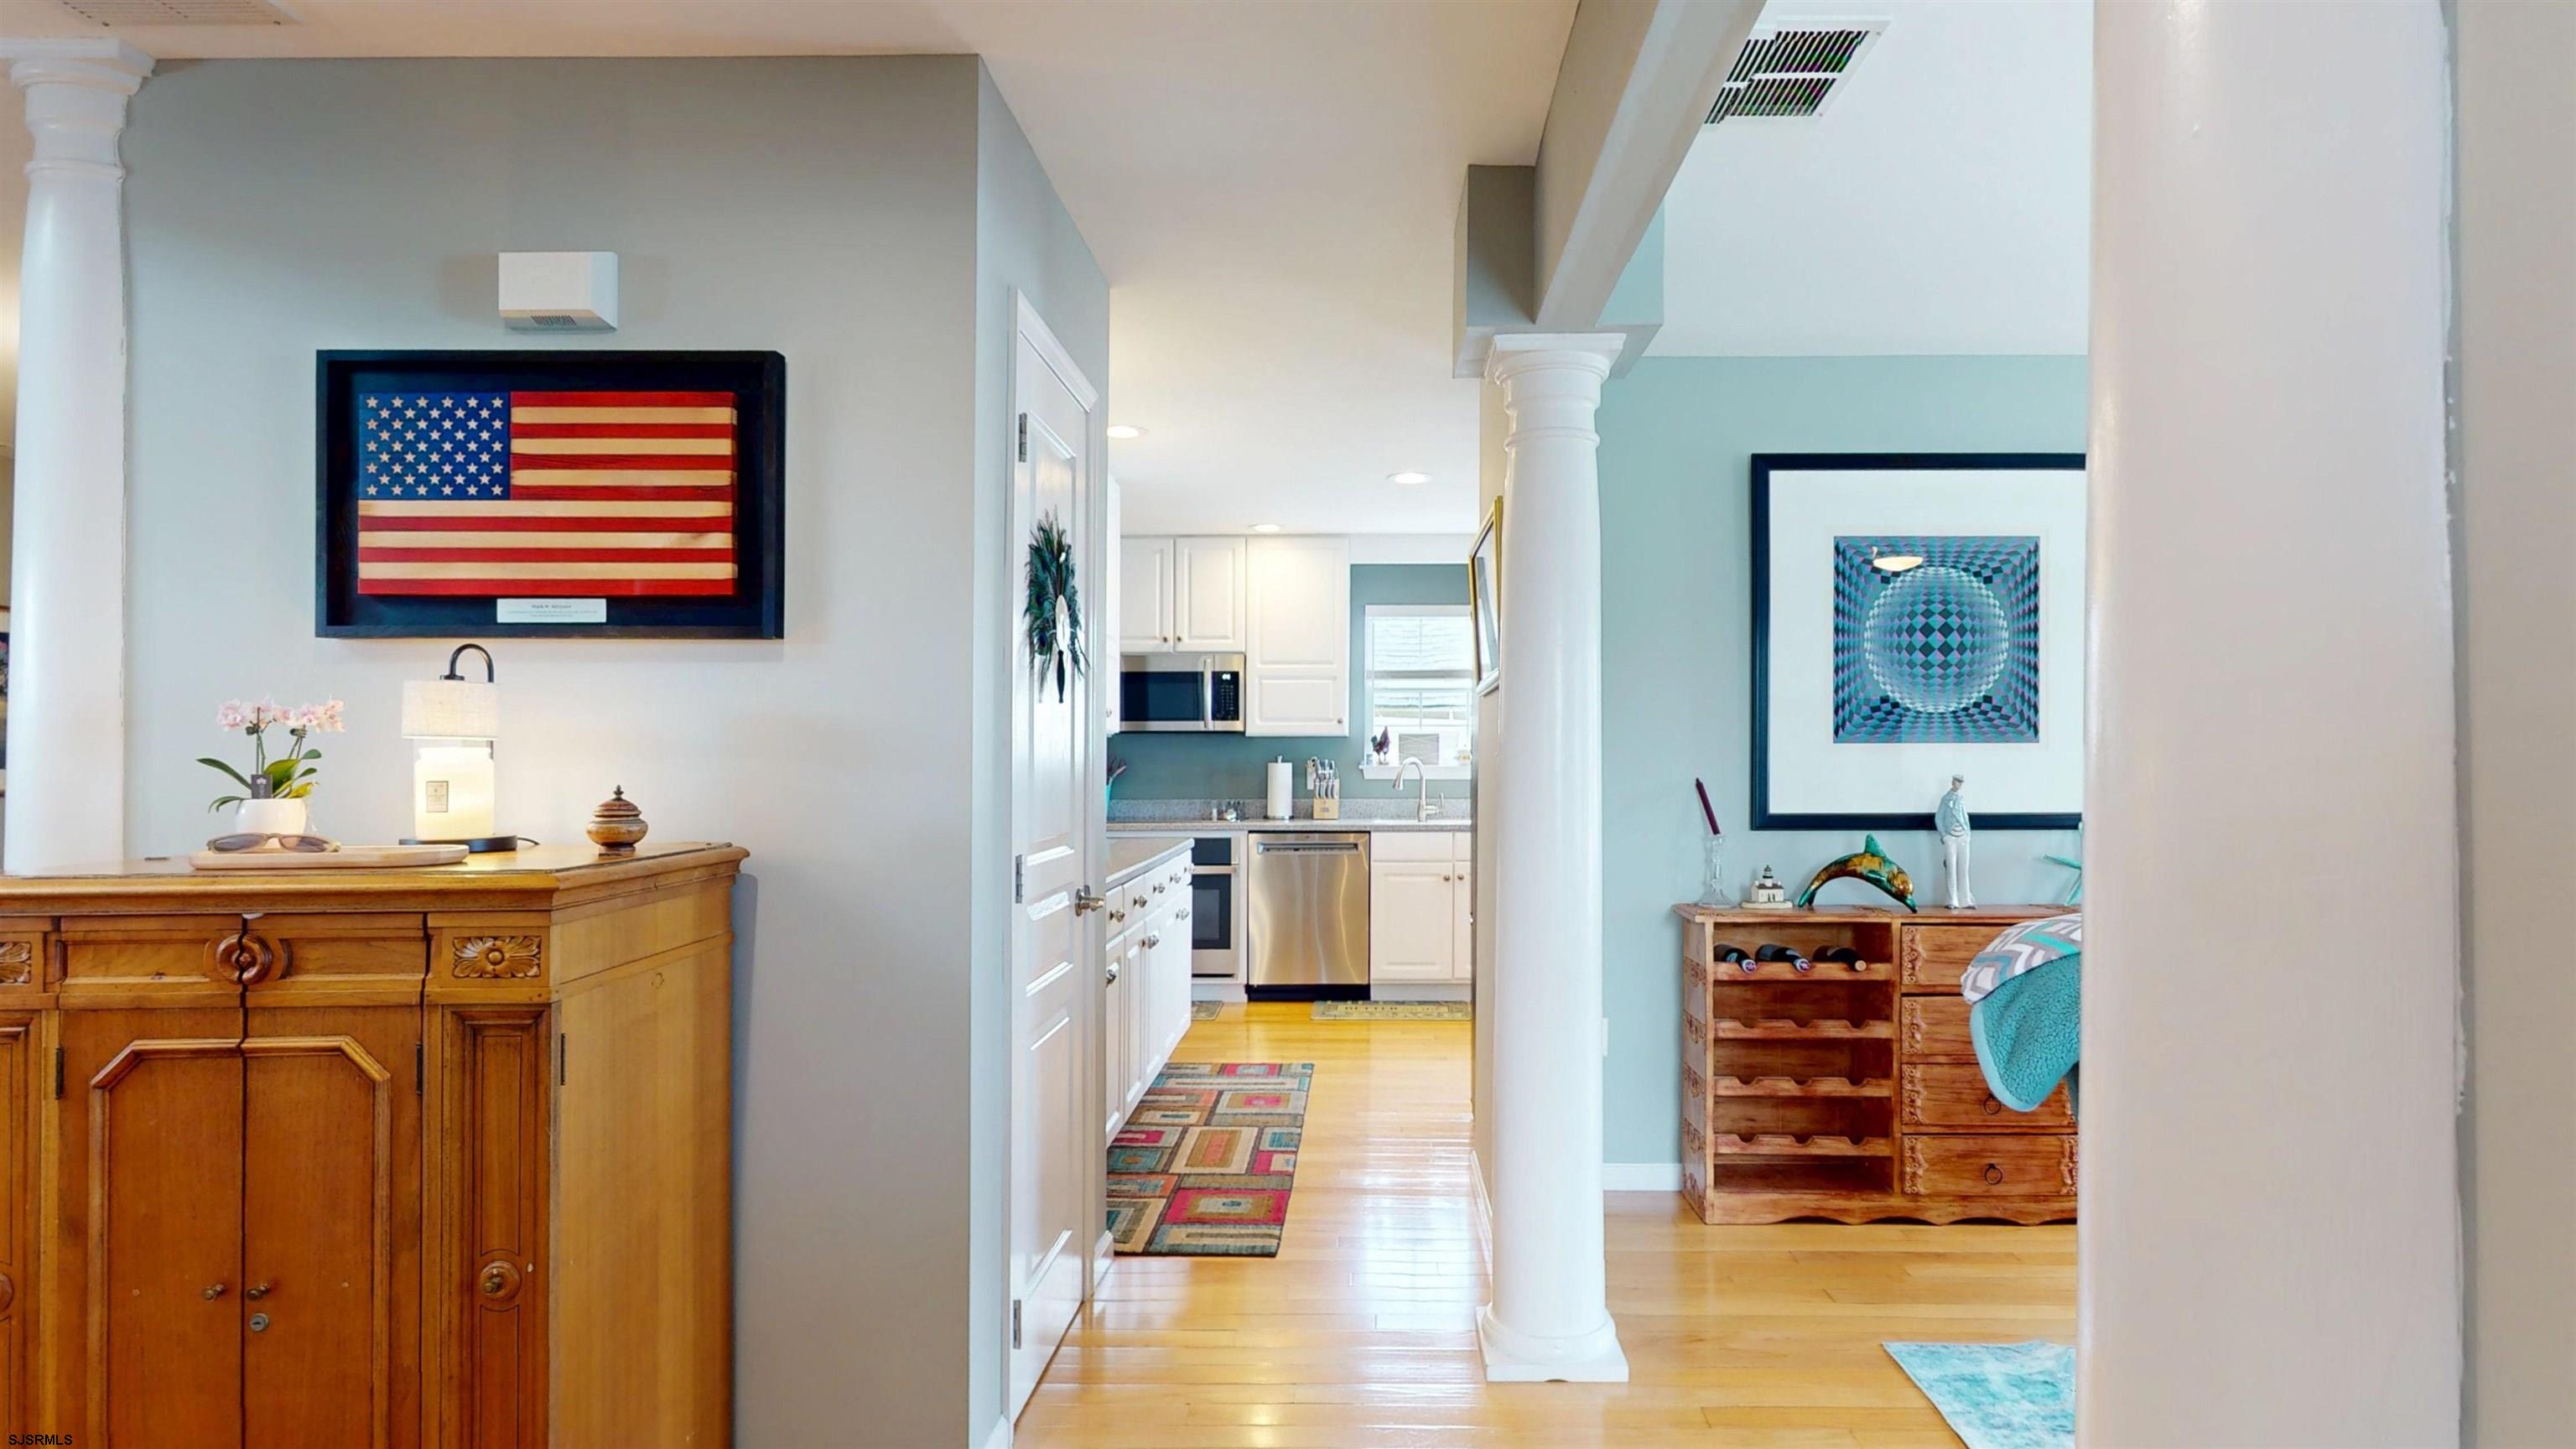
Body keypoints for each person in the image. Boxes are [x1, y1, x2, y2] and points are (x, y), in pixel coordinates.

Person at [1936, 775, 1973, 908]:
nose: (1959, 784)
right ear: (1953, 783)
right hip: (1950, 836)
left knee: (1964, 868)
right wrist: (1944, 835)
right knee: (1951, 868)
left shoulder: (1961, 799)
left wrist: (1967, 833)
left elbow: (1965, 817)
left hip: (1963, 835)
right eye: (1958, 782)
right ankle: (1952, 899)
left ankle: (1966, 899)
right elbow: (1939, 818)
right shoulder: (1945, 799)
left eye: (1961, 782)